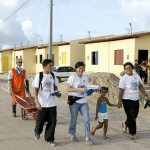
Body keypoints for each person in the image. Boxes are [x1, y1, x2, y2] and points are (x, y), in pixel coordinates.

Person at [117, 62, 149, 140]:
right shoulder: (123, 79)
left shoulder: (136, 76)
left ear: (132, 68)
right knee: (131, 116)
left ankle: (125, 124)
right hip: (127, 100)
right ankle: (132, 133)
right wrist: (119, 101)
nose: (128, 69)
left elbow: (140, 86)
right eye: (126, 68)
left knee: (134, 115)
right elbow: (121, 91)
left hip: (135, 99)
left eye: (130, 67)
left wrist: (145, 94)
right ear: (124, 70)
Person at [32, 59, 58, 146]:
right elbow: (35, 89)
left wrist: (56, 92)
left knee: (52, 121)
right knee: (40, 121)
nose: (51, 67)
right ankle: (37, 132)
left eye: (52, 65)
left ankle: (49, 138)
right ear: (44, 67)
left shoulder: (53, 75)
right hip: (42, 103)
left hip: (52, 103)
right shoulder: (39, 76)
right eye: (50, 66)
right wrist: (37, 102)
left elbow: (55, 87)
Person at [66, 61, 93, 145]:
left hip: (83, 101)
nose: (81, 70)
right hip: (74, 101)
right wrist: (79, 89)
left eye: (82, 68)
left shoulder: (85, 77)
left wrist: (90, 90)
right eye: (79, 68)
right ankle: (72, 134)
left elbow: (86, 88)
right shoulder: (72, 77)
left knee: (86, 119)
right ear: (76, 69)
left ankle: (87, 137)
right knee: (74, 119)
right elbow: (68, 89)